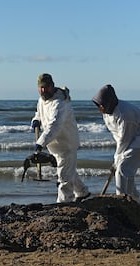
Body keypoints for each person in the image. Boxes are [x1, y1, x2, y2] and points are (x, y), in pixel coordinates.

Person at [31, 73, 90, 203]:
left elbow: (55, 126)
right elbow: (39, 113)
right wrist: (36, 119)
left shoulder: (60, 103)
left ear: (52, 86)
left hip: (67, 143)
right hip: (55, 145)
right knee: (68, 170)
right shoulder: (42, 99)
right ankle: (82, 192)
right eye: (40, 88)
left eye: (45, 87)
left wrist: (40, 142)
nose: (43, 90)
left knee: (64, 176)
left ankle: (64, 202)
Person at [92, 84, 140, 208]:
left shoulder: (125, 115)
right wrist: (117, 157)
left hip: (139, 137)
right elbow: (118, 135)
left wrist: (117, 158)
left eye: (101, 104)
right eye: (98, 105)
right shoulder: (107, 111)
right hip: (125, 138)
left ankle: (122, 201)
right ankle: (137, 201)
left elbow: (125, 139)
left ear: (109, 102)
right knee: (126, 170)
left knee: (123, 169)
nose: (99, 108)